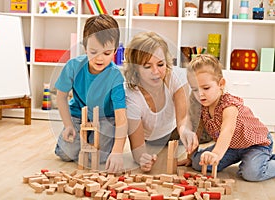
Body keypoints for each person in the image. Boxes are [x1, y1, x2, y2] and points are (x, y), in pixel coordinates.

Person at [181, 53, 275, 181]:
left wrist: (216, 154)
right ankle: (256, 159)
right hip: (231, 147)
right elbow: (197, 130)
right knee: (198, 163)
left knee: (251, 173)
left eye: (206, 88)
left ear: (221, 84)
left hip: (255, 144)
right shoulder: (201, 106)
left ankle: (264, 158)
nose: (200, 94)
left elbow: (227, 131)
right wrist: (190, 157)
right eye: (195, 89)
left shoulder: (229, 106)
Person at [54, 14, 128, 173]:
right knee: (65, 154)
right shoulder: (73, 66)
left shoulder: (115, 77)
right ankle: (81, 139)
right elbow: (61, 96)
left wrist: (117, 152)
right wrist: (68, 125)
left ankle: (89, 141)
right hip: (77, 114)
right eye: (94, 52)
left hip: (105, 118)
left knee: (100, 158)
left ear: (115, 50)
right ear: (85, 47)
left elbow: (121, 118)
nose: (100, 58)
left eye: (107, 53)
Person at [123, 32, 188, 172]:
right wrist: (143, 158)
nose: (156, 71)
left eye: (160, 64)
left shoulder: (176, 77)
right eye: (147, 66)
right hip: (151, 139)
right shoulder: (131, 97)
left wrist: (187, 132)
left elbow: (183, 121)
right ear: (135, 69)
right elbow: (138, 147)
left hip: (175, 131)